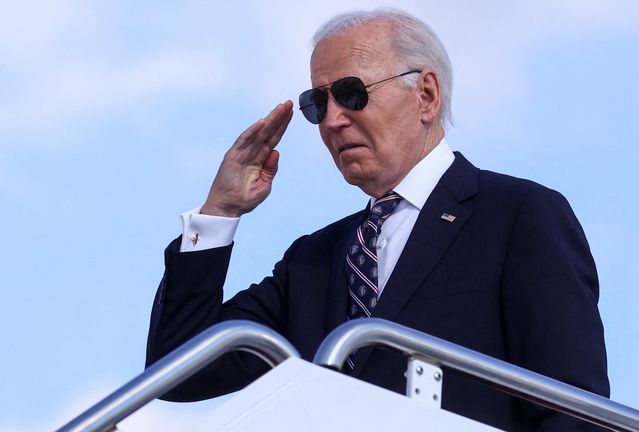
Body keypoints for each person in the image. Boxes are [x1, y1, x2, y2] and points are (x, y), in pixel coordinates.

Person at [146, 8, 609, 431]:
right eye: (318, 104)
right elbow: (180, 370)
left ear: (425, 94)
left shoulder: (518, 216)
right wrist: (219, 212)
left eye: (352, 94)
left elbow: (574, 411)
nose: (332, 121)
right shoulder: (315, 261)